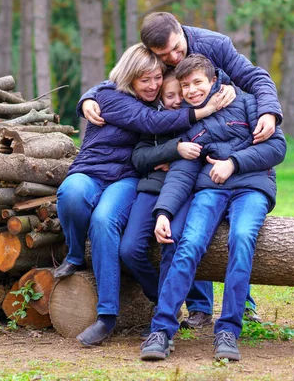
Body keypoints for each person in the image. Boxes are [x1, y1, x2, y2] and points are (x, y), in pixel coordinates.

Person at [55, 44, 225, 348]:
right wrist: (87, 98)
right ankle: (75, 254)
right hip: (91, 170)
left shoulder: (161, 103)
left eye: (157, 78)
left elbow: (174, 116)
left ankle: (107, 315)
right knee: (72, 192)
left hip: (126, 178)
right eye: (145, 79)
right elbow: (150, 124)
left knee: (105, 219)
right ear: (130, 77)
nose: (154, 85)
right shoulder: (109, 96)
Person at [140, 54, 287, 361]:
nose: (192, 91)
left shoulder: (246, 103)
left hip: (251, 188)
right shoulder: (188, 122)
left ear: (212, 80)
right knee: (189, 243)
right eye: (185, 86)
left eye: (197, 83)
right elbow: (181, 173)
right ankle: (162, 329)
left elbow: (277, 148)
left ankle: (228, 330)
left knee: (242, 239)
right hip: (210, 191)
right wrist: (164, 212)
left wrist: (233, 163)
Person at [80, 12, 281, 146]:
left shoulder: (216, 44)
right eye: (164, 55)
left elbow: (254, 77)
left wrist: (269, 111)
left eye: (176, 48)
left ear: (180, 29)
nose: (174, 58)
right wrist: (89, 97)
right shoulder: (151, 58)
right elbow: (123, 79)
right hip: (173, 136)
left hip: (221, 131)